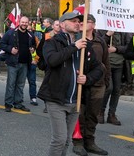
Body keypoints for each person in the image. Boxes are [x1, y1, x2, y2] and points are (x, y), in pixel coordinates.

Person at [37, 11, 102, 156]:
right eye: (73, 21)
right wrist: (75, 47)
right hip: (56, 99)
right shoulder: (51, 42)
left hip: (76, 101)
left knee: (66, 140)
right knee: (59, 139)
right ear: (62, 25)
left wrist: (87, 78)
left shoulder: (85, 46)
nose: (77, 23)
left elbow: (99, 68)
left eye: (79, 21)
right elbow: (52, 60)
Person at [72, 14, 110, 155]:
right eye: (80, 21)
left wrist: (107, 81)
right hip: (80, 84)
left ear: (93, 25)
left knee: (93, 115)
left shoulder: (100, 42)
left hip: (98, 85)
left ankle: (90, 141)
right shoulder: (76, 40)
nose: (81, 23)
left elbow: (105, 63)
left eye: (85, 21)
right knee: (79, 114)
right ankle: (78, 142)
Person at [0, 16, 35, 112]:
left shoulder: (30, 34)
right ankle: (8, 103)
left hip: (25, 63)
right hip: (13, 63)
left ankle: (18, 103)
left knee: (20, 84)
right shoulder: (11, 33)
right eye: (22, 22)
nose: (24, 24)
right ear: (19, 22)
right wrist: (10, 49)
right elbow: (2, 44)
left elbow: (33, 45)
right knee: (11, 84)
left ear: (28, 23)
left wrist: (32, 48)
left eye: (26, 22)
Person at [100, 29, 130, 126]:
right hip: (106, 65)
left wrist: (116, 49)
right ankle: (100, 112)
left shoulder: (124, 32)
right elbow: (99, 45)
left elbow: (128, 47)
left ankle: (111, 114)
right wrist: (108, 35)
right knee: (109, 88)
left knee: (116, 90)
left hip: (119, 65)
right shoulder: (101, 30)